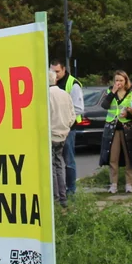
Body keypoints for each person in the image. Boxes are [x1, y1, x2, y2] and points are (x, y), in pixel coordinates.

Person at [50, 58, 84, 197]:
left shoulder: (73, 84)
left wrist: (66, 123)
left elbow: (78, 108)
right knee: (56, 162)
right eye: (52, 71)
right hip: (57, 128)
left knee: (68, 160)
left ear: (64, 69)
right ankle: (60, 192)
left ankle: (71, 190)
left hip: (68, 128)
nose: (54, 74)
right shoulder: (51, 84)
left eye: (57, 71)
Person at [99, 70, 132, 193]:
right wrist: (113, 92)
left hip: (127, 127)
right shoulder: (110, 91)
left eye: (121, 80)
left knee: (129, 156)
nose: (118, 83)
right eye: (116, 80)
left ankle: (129, 184)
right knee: (113, 157)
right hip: (112, 127)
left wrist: (128, 113)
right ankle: (113, 184)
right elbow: (104, 105)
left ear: (126, 81)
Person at [47, 69, 75, 207]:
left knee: (51, 168)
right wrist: (66, 128)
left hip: (50, 134)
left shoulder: (45, 95)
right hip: (63, 135)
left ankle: (55, 199)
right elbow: (72, 115)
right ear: (55, 79)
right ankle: (63, 198)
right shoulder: (65, 94)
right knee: (59, 166)